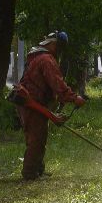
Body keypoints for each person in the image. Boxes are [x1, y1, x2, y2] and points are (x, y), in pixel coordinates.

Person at [16, 30, 84, 180]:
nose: (60, 50)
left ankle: (37, 168)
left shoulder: (37, 55)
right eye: (60, 46)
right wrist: (73, 98)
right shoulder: (47, 60)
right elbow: (57, 84)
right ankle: (29, 173)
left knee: (38, 136)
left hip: (32, 102)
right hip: (31, 102)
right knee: (36, 139)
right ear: (52, 43)